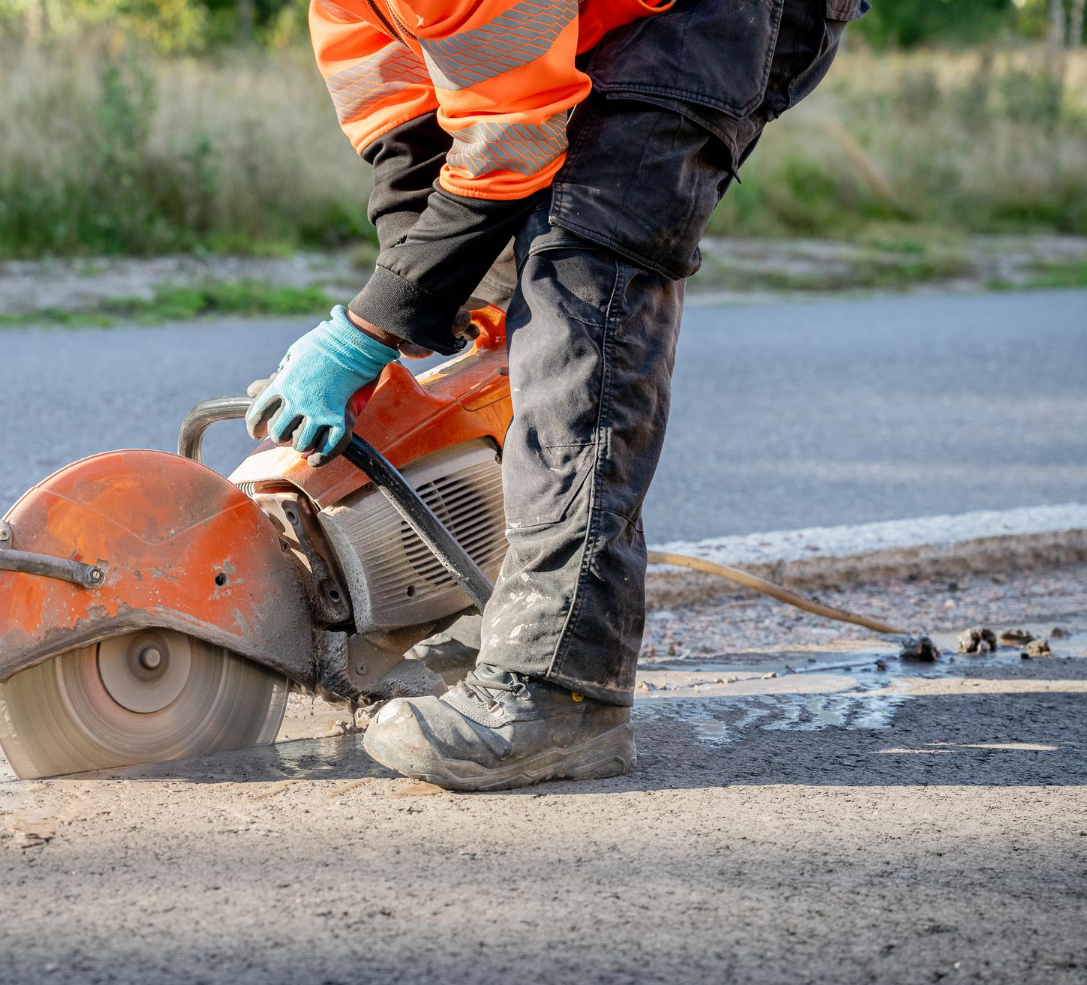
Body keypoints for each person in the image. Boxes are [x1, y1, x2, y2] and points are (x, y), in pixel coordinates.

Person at [246, 0, 866, 790]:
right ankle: (499, 599)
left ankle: (560, 686)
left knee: (582, 270)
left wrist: (369, 327)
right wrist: (413, 306)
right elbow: (411, 144)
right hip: (585, 32)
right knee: (498, 295)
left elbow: (512, 135)